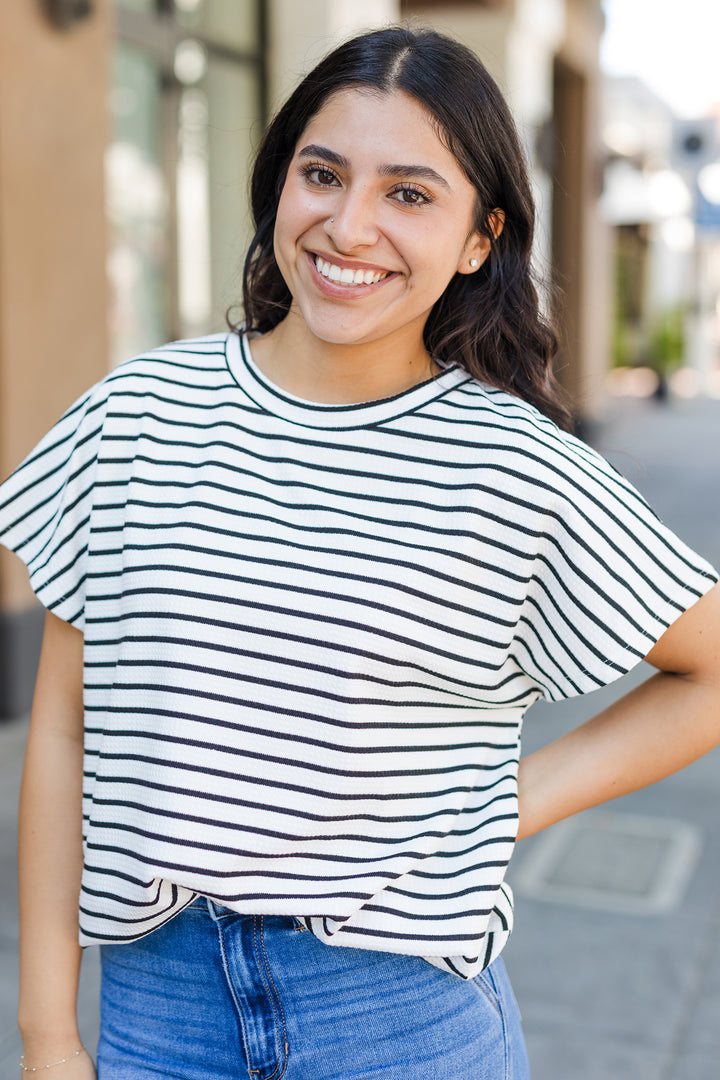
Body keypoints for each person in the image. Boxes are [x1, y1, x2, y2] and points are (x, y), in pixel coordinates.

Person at [1, 24, 718, 1080]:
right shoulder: (137, 418)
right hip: (156, 1015)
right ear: (278, 183)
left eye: (410, 194)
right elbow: (62, 731)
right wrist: (47, 1030)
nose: (350, 225)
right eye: (322, 174)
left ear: (482, 238)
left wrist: (510, 804)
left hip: (400, 1023)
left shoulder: (511, 465)